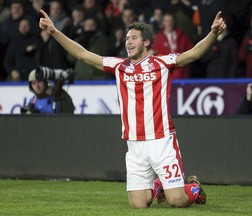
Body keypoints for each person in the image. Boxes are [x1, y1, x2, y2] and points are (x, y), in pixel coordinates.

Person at [39, 9, 226, 208]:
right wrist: (54, 31)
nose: (128, 42)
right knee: (138, 205)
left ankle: (193, 187)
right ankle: (160, 186)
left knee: (177, 201)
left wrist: (213, 33)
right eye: (127, 38)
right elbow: (83, 54)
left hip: (161, 141)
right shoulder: (119, 66)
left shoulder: (162, 63)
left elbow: (195, 53)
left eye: (134, 38)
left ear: (146, 42)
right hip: (135, 144)